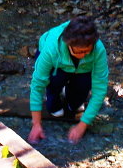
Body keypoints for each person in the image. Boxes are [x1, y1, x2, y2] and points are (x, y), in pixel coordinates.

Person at [28, 16, 109, 145]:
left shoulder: (98, 49)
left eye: (87, 51)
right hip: (57, 63)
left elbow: (100, 88)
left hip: (83, 68)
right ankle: (56, 94)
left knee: (75, 104)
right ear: (69, 45)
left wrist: (83, 125)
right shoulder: (51, 48)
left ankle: (69, 92)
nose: (83, 55)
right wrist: (36, 124)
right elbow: (38, 84)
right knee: (54, 101)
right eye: (80, 52)